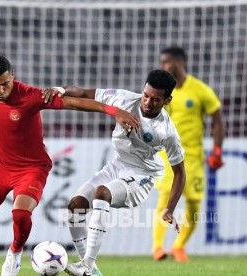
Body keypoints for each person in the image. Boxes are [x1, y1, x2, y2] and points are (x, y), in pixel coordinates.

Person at [0, 55, 140, 276]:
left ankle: (14, 253)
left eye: (5, 84)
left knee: (20, 215)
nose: (0, 91)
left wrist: (114, 111)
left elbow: (76, 102)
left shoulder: (31, 96)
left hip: (32, 168)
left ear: (12, 76)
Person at [43, 69, 186, 276]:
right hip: (116, 166)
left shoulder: (167, 132)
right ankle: (90, 270)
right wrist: (60, 89)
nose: (147, 102)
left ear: (167, 100)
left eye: (155, 100)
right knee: (75, 206)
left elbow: (180, 173)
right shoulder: (124, 99)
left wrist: (169, 209)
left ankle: (88, 264)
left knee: (102, 193)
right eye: (146, 95)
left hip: (142, 176)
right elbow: (84, 93)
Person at [152, 46, 224, 262]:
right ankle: (157, 248)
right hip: (167, 155)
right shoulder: (162, 92)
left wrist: (217, 150)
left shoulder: (200, 90)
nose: (164, 67)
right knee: (165, 199)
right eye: (162, 63)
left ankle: (179, 246)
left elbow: (218, 119)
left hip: (193, 158)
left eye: (167, 63)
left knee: (194, 205)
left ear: (179, 63)